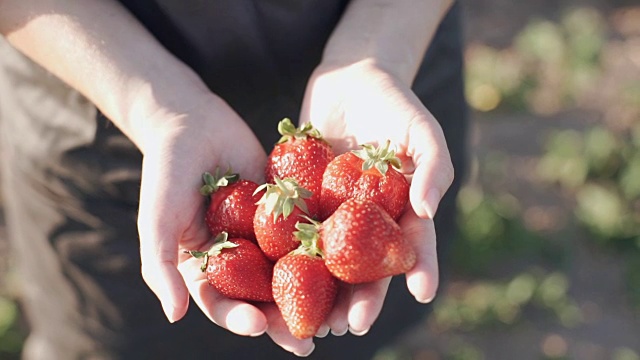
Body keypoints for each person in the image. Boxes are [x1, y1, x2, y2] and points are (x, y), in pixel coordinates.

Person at [0, 0, 468, 359]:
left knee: (353, 340)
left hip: (385, 48)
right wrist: (157, 106)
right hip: (99, 94)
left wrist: (376, 58)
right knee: (124, 342)